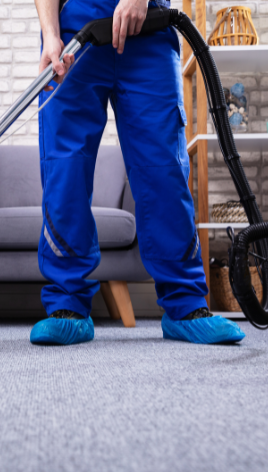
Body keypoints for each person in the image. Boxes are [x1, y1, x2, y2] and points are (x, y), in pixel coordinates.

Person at [30, 0, 245, 345]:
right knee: (64, 168)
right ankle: (66, 304)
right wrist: (50, 34)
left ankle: (185, 305)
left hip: (147, 26)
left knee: (163, 168)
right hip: (75, 31)